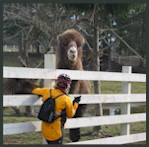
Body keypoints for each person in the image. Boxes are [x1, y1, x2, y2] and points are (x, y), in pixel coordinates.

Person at [32, 73, 81, 144]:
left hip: (45, 131)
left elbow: (34, 90)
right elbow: (70, 114)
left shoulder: (47, 91)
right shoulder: (66, 99)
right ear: (67, 86)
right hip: (56, 133)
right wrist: (76, 103)